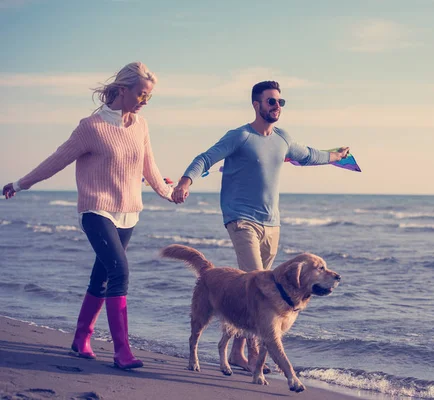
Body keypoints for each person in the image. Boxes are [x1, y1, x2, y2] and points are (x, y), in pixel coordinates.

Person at [2, 62, 182, 369]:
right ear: (122, 90)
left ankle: (80, 339)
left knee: (102, 277)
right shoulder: (91, 127)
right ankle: (122, 351)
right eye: (141, 94)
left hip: (129, 213)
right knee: (120, 272)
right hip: (96, 211)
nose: (144, 101)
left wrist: (170, 193)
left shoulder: (141, 126)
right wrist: (20, 184)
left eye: (149, 97)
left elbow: (149, 167)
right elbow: (56, 159)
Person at [171, 80, 349, 372]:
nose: (277, 106)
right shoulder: (240, 136)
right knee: (257, 283)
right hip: (241, 219)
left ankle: (237, 350)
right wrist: (185, 181)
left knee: (259, 287)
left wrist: (336, 157)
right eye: (271, 102)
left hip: (272, 224)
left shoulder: (282, 138)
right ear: (256, 104)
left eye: (280, 102)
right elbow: (206, 158)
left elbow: (308, 155)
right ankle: (253, 355)